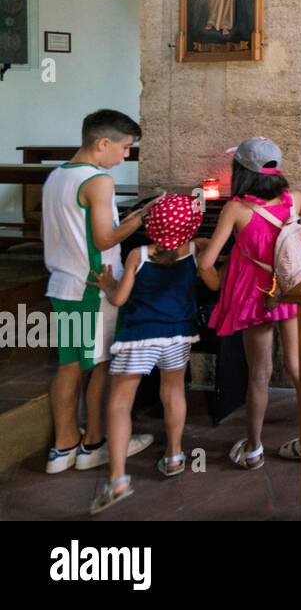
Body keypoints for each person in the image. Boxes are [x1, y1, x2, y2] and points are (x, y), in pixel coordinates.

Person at [197, 137, 301, 469]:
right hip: (288, 290)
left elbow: (205, 263)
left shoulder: (236, 209)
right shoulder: (294, 201)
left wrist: (218, 275)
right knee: (297, 366)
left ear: (241, 172)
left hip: (253, 297)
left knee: (259, 373)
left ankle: (254, 448)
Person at [43, 110, 157, 475]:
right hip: (93, 289)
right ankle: (94, 443)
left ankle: (62, 448)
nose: (125, 156)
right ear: (102, 143)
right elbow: (105, 239)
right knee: (102, 367)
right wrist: (140, 219)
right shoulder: (99, 181)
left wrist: (124, 221)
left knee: (70, 365)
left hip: (64, 285)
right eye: (125, 148)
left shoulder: (57, 175)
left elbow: (84, 231)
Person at [89, 193, 219, 513]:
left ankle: (118, 479)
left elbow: (119, 300)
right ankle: (174, 456)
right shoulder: (193, 251)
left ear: (151, 225)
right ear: (188, 228)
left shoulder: (139, 254)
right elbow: (213, 281)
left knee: (120, 403)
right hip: (178, 335)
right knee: (173, 391)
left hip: (139, 337)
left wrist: (107, 283)